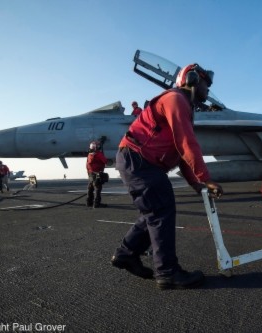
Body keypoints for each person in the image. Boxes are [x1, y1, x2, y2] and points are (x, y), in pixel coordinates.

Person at [111, 63, 223, 290]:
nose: (208, 89)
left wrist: (196, 183)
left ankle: (126, 254)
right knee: (161, 210)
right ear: (190, 79)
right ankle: (167, 272)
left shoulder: (184, 107)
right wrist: (207, 177)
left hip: (139, 162)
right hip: (139, 160)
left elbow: (181, 154)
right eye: (205, 83)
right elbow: (186, 144)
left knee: (154, 210)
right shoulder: (176, 100)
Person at [86, 140, 108, 208]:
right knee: (98, 189)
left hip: (90, 173)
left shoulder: (89, 154)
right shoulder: (98, 154)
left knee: (90, 188)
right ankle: (96, 203)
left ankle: (89, 202)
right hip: (97, 174)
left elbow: (87, 165)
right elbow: (105, 161)